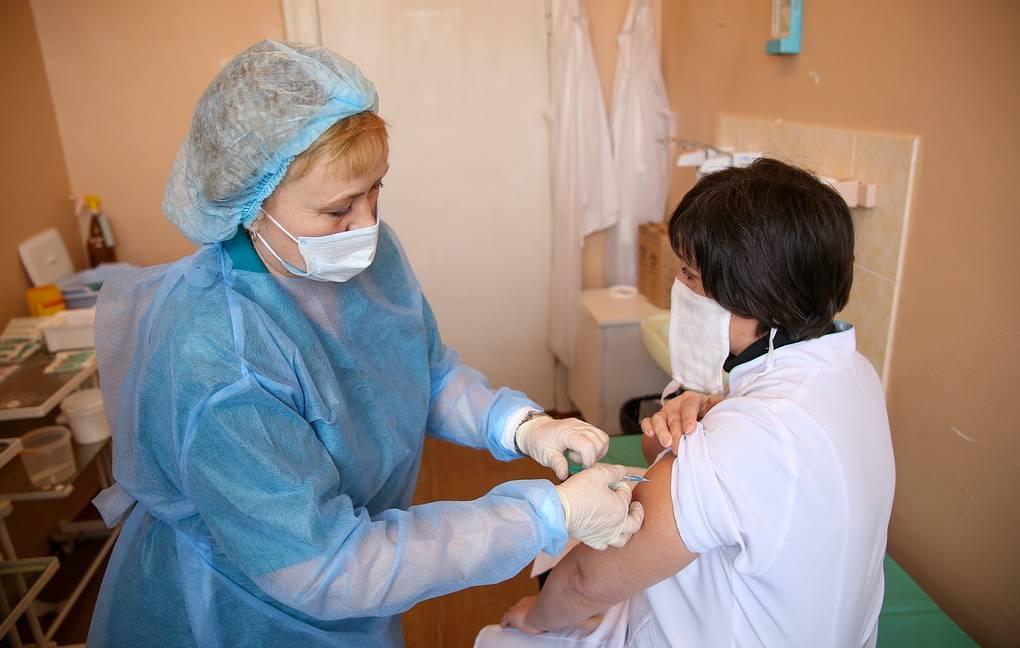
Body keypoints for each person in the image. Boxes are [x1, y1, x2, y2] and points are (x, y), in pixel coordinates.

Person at [86, 40, 643, 648]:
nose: (366, 223)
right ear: (251, 205)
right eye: (337, 209)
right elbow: (326, 566)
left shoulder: (361, 258)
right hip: (243, 609)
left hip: (361, 584)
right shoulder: (217, 357)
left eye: (376, 188)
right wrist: (547, 516)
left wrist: (520, 425)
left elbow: (423, 373)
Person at [478, 158, 896, 647]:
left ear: (753, 297)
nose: (678, 286)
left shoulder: (751, 437)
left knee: (505, 634)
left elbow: (587, 580)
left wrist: (535, 618)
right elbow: (685, 460)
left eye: (690, 274)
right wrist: (708, 409)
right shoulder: (852, 372)